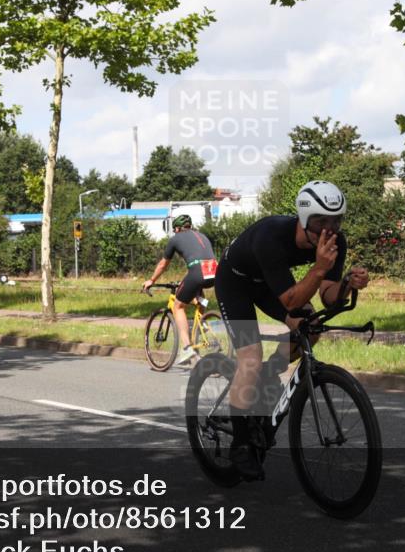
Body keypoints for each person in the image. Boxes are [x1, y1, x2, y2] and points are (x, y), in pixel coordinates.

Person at [213, 181, 370, 480]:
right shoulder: (271, 237)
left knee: (311, 326)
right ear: (304, 218)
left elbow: (326, 295)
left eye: (336, 221)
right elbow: (291, 300)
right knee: (249, 357)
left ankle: (268, 372)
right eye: (321, 221)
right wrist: (320, 268)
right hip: (236, 283)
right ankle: (241, 444)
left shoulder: (336, 241)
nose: (330, 229)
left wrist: (347, 283)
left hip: (271, 285)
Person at [142, 214, 218, 366]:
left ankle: (187, 348)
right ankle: (201, 323)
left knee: (178, 306)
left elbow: (163, 265)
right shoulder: (202, 235)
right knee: (197, 295)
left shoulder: (175, 239)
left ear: (177, 228)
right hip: (215, 270)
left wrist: (151, 280)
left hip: (197, 271)